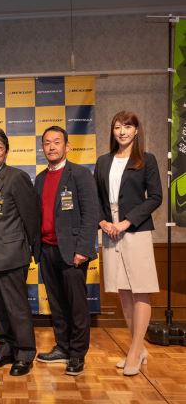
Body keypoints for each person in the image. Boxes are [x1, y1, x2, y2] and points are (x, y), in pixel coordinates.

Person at [94, 111, 162, 376]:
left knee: (140, 290)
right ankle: (138, 348)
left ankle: (135, 350)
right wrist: (103, 221)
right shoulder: (103, 161)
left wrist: (126, 222)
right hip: (110, 232)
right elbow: (96, 197)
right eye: (117, 127)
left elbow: (155, 197)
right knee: (123, 291)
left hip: (135, 230)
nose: (122, 131)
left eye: (127, 126)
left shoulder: (147, 159)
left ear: (136, 130)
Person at [34, 125, 99, 376]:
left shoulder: (80, 174)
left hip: (73, 252)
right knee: (57, 304)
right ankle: (62, 346)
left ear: (67, 146)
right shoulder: (40, 178)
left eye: (57, 142)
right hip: (47, 250)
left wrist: (83, 249)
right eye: (47, 143)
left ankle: (77, 354)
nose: (51, 147)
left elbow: (91, 214)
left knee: (77, 306)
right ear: (43, 148)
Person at [0, 128, 40, 376]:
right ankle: (5, 347)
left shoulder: (17, 177)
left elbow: (31, 217)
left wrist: (33, 250)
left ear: (6, 152)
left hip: (12, 254)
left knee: (16, 307)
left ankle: (25, 353)